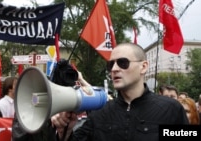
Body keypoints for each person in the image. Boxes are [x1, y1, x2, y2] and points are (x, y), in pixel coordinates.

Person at [51, 43, 189, 141]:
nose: (114, 69)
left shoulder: (171, 109)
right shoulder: (99, 113)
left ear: (143, 67)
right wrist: (65, 132)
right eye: (111, 64)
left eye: (123, 62)